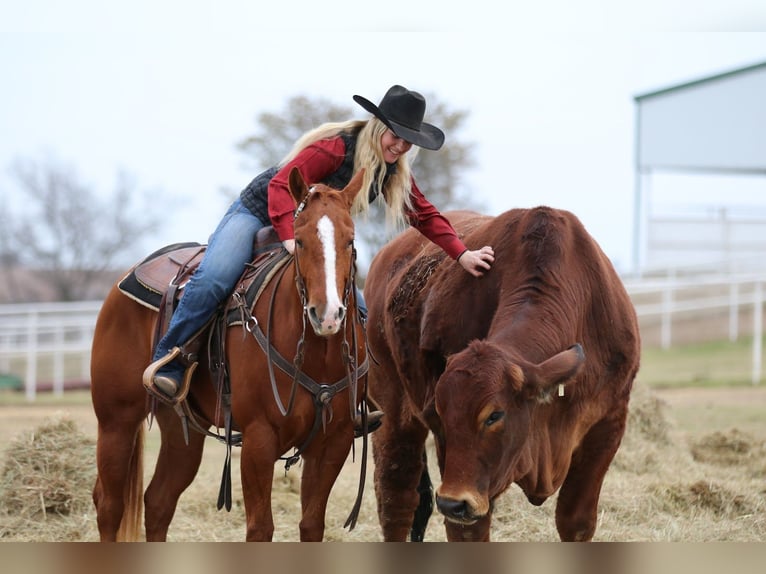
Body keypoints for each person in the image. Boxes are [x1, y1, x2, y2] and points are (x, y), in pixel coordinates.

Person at [146, 85, 496, 431]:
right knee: (215, 277)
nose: (400, 146)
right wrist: (286, 236)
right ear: (378, 127)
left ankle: (354, 398)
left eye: (408, 141)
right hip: (260, 214)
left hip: (315, 236)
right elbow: (281, 186)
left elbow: (424, 215)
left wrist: (462, 254)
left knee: (358, 310)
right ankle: (170, 360)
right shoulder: (336, 149)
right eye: (395, 135)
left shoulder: (390, 172)